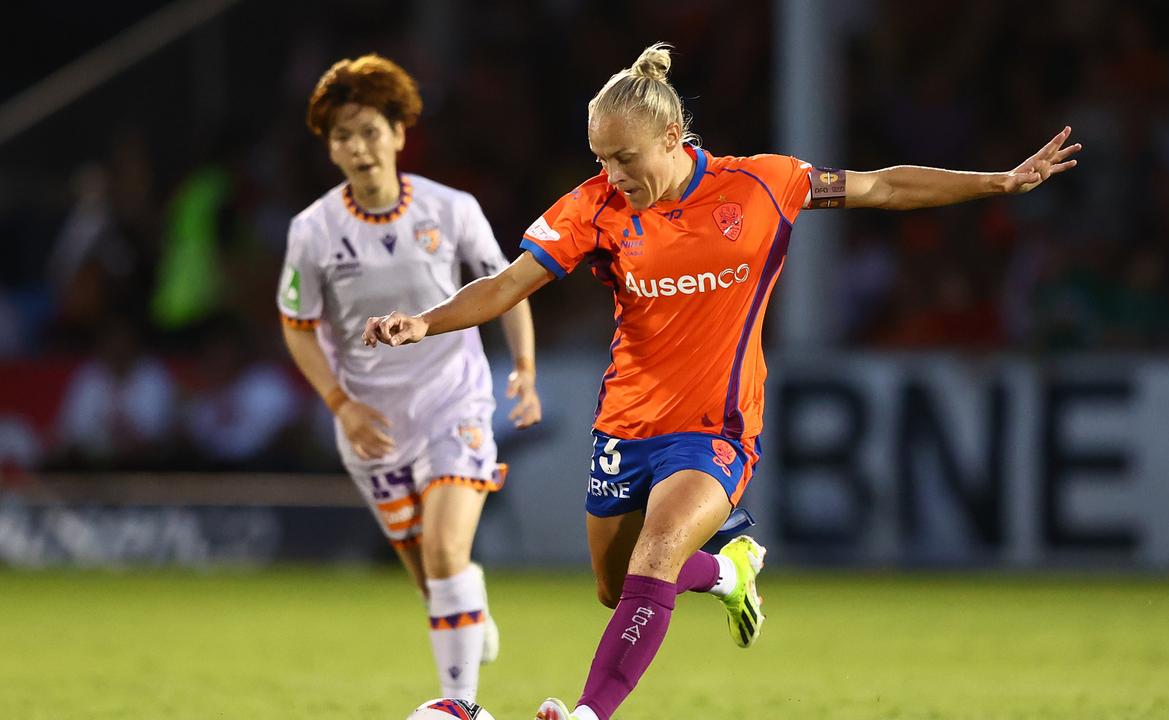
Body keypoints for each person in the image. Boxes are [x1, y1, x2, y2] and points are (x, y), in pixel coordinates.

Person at [363, 43, 1080, 720]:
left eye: (624, 157)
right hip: (625, 425)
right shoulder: (595, 207)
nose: (612, 175)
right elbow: (510, 283)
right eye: (601, 159)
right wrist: (424, 323)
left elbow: (882, 187)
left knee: (657, 552)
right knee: (620, 591)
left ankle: (588, 713)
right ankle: (731, 574)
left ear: (673, 135)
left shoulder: (764, 184)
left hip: (715, 430)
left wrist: (1001, 180)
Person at [277, 54, 542, 703]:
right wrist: (341, 405)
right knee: (432, 578)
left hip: (454, 403)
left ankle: (461, 706)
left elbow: (509, 286)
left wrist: (526, 369)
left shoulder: (451, 210)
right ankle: (465, 607)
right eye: (343, 136)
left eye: (371, 130)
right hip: (372, 426)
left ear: (399, 132)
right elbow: (298, 326)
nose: (359, 147)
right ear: (330, 147)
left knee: (447, 550)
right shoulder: (312, 232)